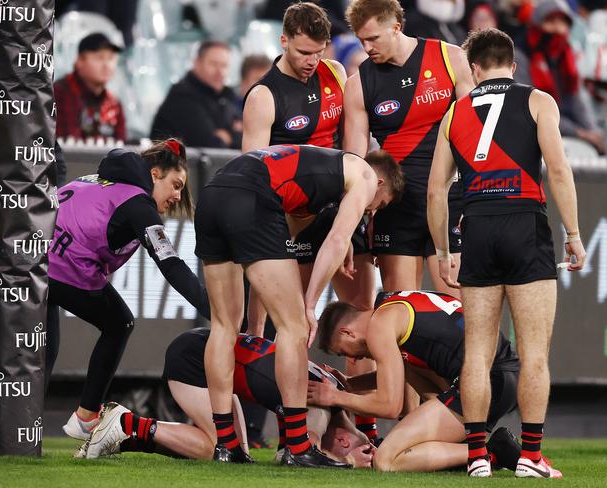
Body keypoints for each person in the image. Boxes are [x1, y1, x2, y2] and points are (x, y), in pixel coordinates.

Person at [427, 28, 586, 478]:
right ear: (512, 66)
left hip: (476, 225)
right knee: (534, 352)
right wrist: (573, 232)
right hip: (524, 221)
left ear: (473, 68)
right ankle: (530, 458)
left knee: (476, 352)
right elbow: (557, 168)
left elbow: (437, 190)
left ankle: (477, 455)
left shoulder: (455, 111)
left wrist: (443, 249)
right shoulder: (538, 100)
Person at [194, 144, 403, 466]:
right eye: (378, 205)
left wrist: (256, 324)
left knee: (223, 326)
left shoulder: (310, 182)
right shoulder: (362, 175)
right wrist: (309, 305)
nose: (370, 212)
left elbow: (278, 249)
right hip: (252, 195)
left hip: (213, 193)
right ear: (378, 184)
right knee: (294, 327)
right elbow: (332, 242)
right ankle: (297, 445)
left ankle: (227, 445)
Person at [242, 2, 384, 444]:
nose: (311, 61)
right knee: (276, 327)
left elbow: (352, 140)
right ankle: (284, 430)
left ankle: (366, 430)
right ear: (283, 40)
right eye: (303, 52)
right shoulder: (264, 97)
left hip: (339, 209)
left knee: (364, 323)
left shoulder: (336, 75)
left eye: (318, 52)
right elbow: (252, 176)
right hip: (291, 222)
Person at [46, 139, 210, 442]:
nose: (177, 195)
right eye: (175, 184)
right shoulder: (138, 204)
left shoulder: (98, 180)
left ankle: (16, 425)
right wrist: (214, 309)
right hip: (65, 270)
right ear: (155, 174)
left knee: (43, 351)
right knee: (119, 322)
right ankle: (85, 418)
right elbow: (171, 265)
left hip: (36, 264)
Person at [82, 330, 373, 467]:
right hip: (195, 360)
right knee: (218, 449)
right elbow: (302, 454)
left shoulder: (333, 386)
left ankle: (123, 440)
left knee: (236, 456)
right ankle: (126, 422)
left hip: (207, 352)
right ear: (345, 441)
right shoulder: (319, 406)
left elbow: (283, 453)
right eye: (343, 447)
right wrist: (347, 462)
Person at [343, 0, 474, 296]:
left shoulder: (451, 58)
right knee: (400, 312)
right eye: (361, 40)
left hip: (449, 198)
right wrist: (360, 218)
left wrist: (475, 198)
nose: (367, 47)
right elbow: (354, 164)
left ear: (396, 27)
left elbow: (475, 135)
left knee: (458, 313)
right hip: (397, 207)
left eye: (374, 38)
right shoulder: (359, 84)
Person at [309, 290, 521, 473]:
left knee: (386, 460)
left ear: (346, 332)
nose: (352, 359)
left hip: (483, 382)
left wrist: (335, 396)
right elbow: (396, 372)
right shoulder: (393, 305)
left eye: (343, 351)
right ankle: (465, 446)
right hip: (500, 375)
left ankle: (492, 452)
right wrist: (352, 384)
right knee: (407, 361)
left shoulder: (379, 326)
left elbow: (390, 406)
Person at [515, 0, 605, 154]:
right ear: (536, 25)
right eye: (550, 21)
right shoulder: (520, 57)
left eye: (563, 23)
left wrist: (593, 131)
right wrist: (580, 133)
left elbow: (576, 100)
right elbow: (533, 108)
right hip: (533, 132)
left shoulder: (565, 56)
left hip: (565, 127)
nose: (558, 29)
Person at [150, 41, 242, 149]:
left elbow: (247, 138)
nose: (220, 72)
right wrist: (232, 135)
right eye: (213, 64)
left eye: (224, 66)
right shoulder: (182, 95)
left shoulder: (227, 95)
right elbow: (211, 144)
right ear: (197, 63)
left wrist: (229, 136)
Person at [54, 32, 126, 142]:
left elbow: (122, 148)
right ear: (80, 61)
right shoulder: (59, 93)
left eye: (111, 58)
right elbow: (65, 147)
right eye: (99, 58)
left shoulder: (114, 103)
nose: (107, 65)